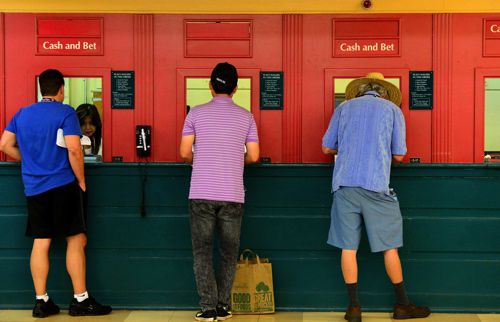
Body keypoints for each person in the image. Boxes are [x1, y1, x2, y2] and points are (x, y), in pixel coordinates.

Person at [0, 69, 112, 318]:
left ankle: (41, 302)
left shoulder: (22, 113)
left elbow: (5, 145)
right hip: (63, 186)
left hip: (34, 187)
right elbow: (74, 149)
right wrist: (81, 180)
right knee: (75, 239)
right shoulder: (65, 112)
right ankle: (80, 299)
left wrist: (29, 161)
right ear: (61, 89)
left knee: (41, 242)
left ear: (42, 89)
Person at [322, 72, 431, 322]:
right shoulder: (392, 111)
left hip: (345, 186)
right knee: (389, 248)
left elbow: (327, 147)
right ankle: (403, 304)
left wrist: (349, 146)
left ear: (359, 90)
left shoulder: (344, 108)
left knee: (348, 248)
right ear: (383, 91)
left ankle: (354, 308)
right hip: (377, 187)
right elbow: (400, 155)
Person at [179, 62, 260, 322]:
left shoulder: (195, 115)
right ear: (236, 88)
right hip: (233, 194)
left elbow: (184, 153)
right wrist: (237, 160)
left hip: (200, 192)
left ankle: (208, 308)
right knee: (228, 252)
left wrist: (201, 160)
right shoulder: (246, 116)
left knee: (202, 252)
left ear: (210, 86)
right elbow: (254, 155)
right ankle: (224, 306)